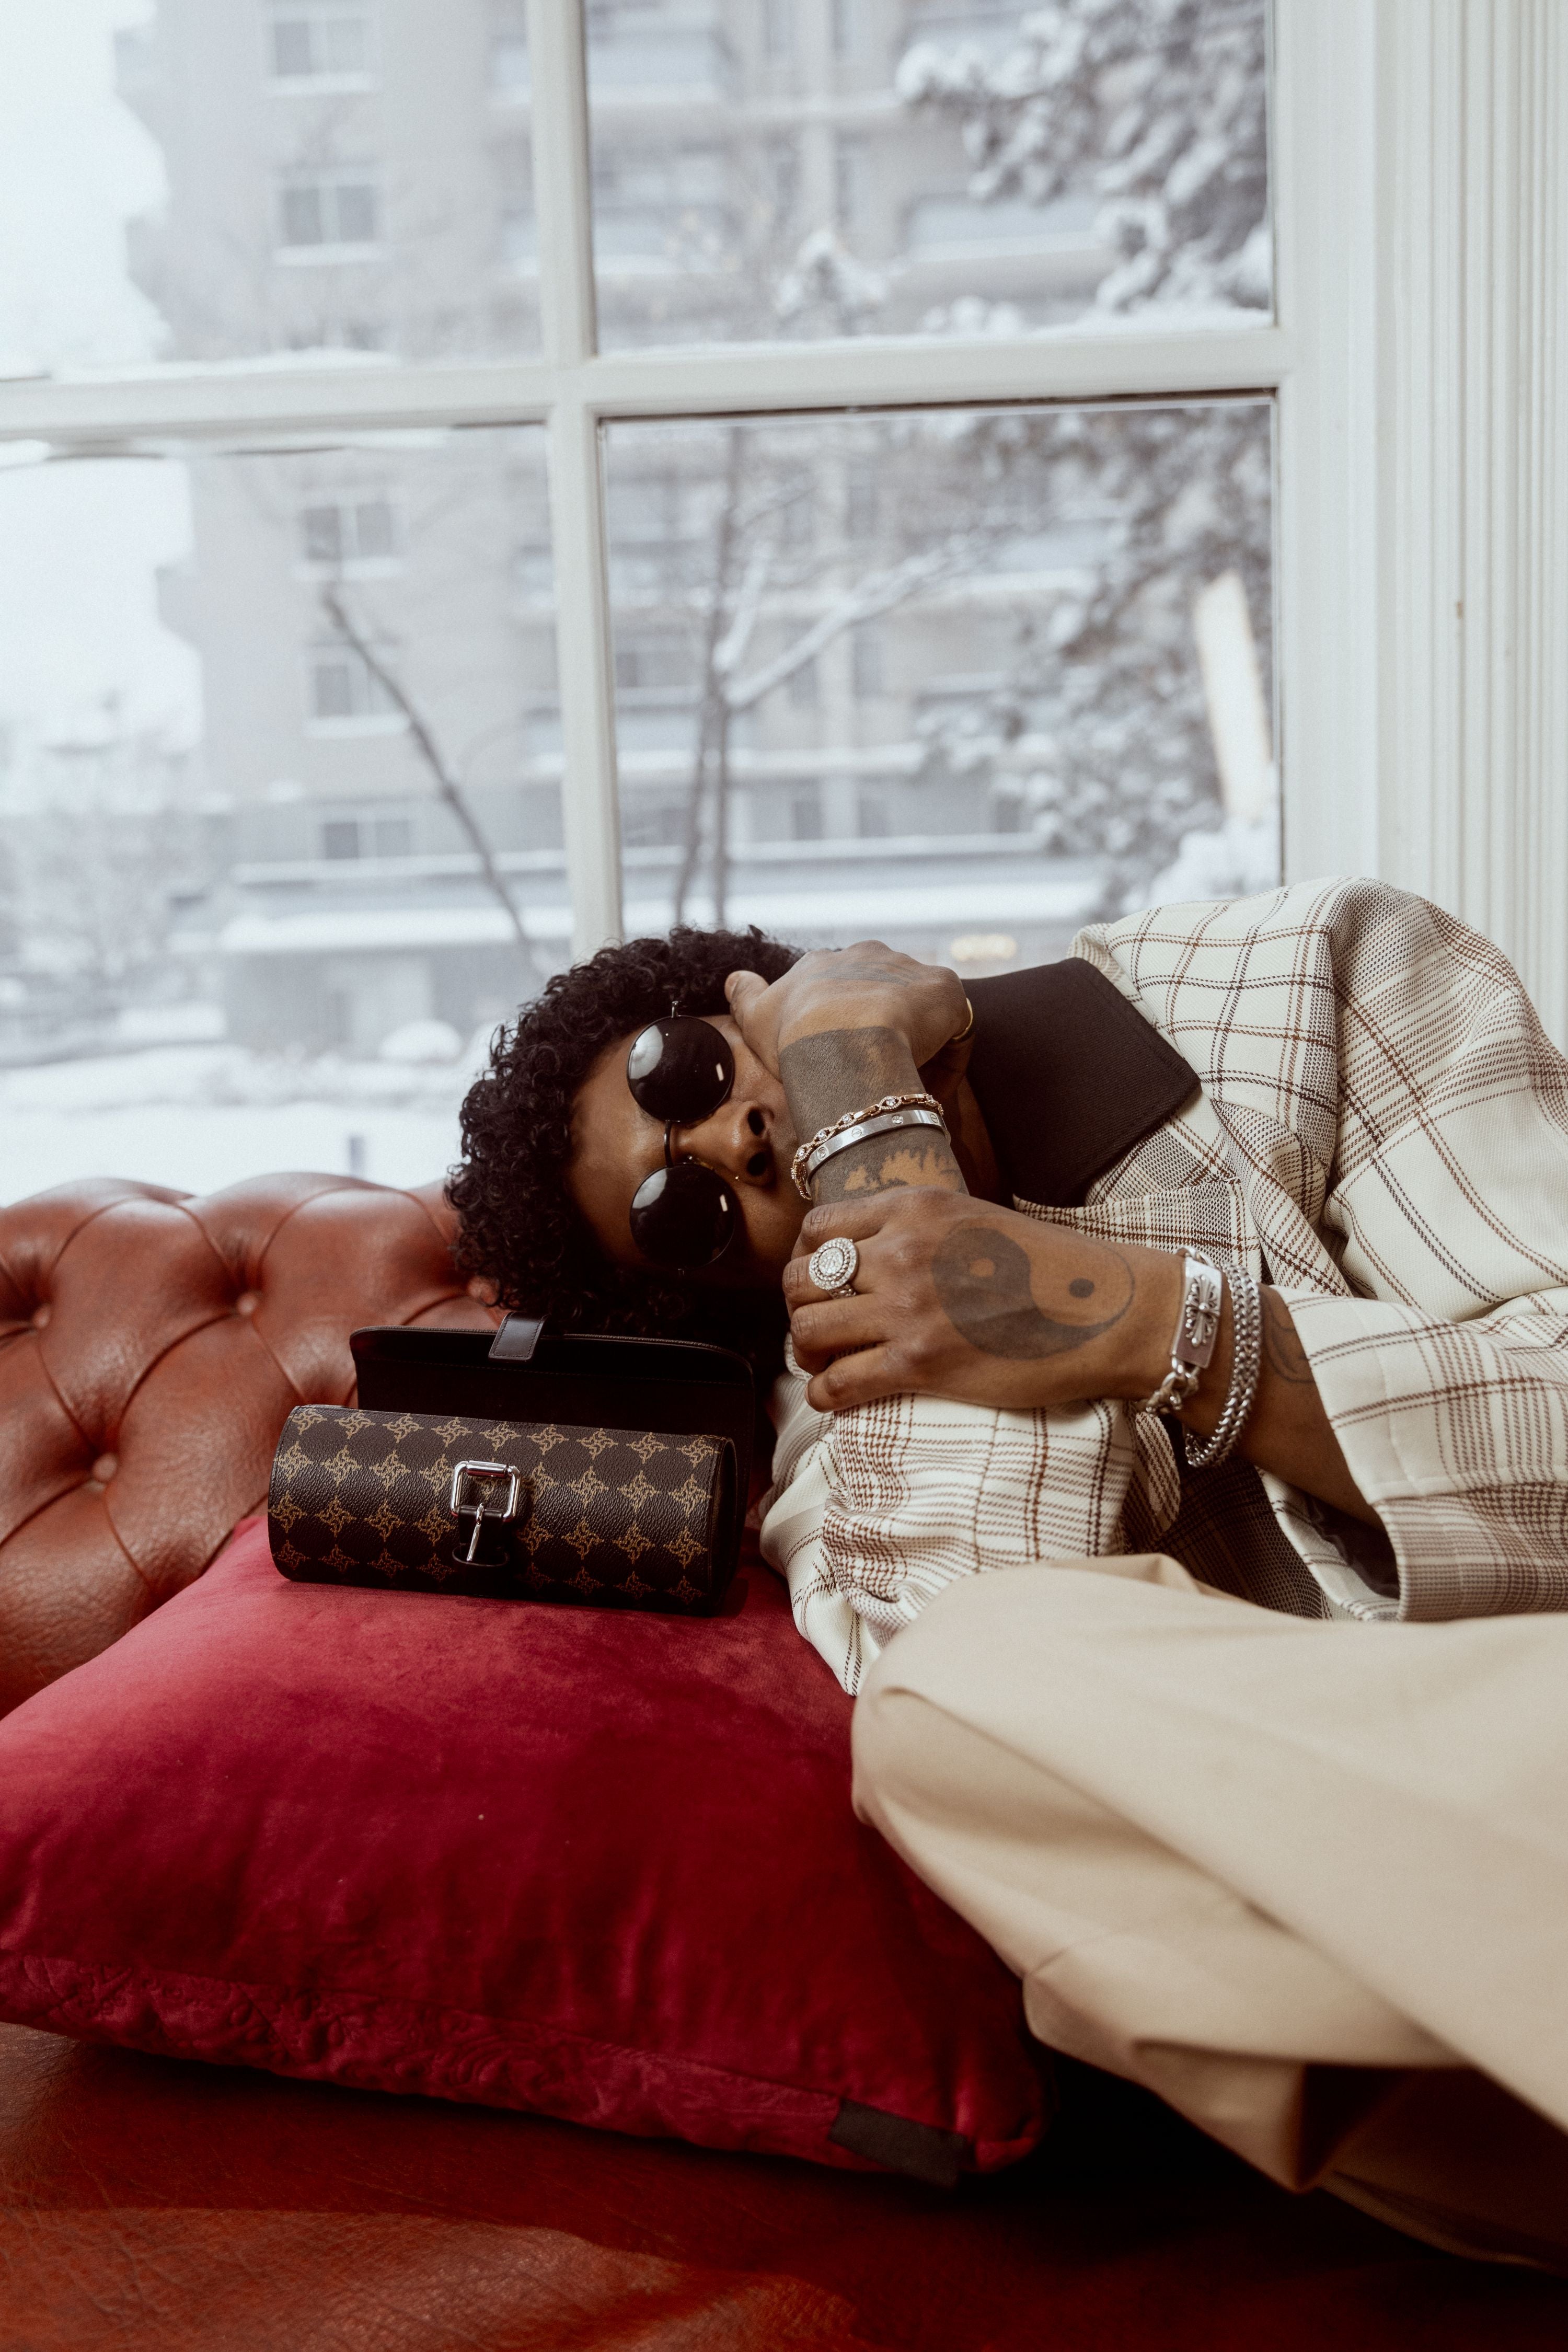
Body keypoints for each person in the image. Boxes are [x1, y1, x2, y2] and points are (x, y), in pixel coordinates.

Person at [452, 877, 1568, 2265]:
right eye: (680, 1212)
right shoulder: (837, 1459)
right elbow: (998, 1629)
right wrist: (892, 1171)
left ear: (744, 996)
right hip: (1478, 2090)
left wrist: (1148, 1322)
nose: (732, 1141)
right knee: (945, 1715)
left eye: (680, 1070)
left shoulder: (1305, 977)